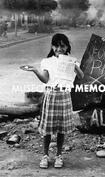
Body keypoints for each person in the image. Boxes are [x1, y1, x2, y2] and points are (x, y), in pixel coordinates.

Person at [26, 33, 84, 168]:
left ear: (67, 47)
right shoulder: (47, 61)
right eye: (56, 46)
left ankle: (59, 155)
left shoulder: (72, 60)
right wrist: (35, 70)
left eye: (62, 46)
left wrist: (73, 64)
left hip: (64, 95)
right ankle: (45, 155)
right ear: (52, 47)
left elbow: (81, 76)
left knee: (61, 129)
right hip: (51, 95)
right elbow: (46, 79)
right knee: (47, 129)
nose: (59, 49)